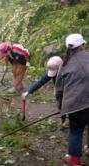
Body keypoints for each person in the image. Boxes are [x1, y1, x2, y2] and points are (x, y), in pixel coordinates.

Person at [55, 33, 88, 166]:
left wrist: (60, 105)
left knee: (76, 130)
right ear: (83, 45)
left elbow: (59, 89)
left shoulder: (65, 63)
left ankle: (74, 159)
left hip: (76, 105)